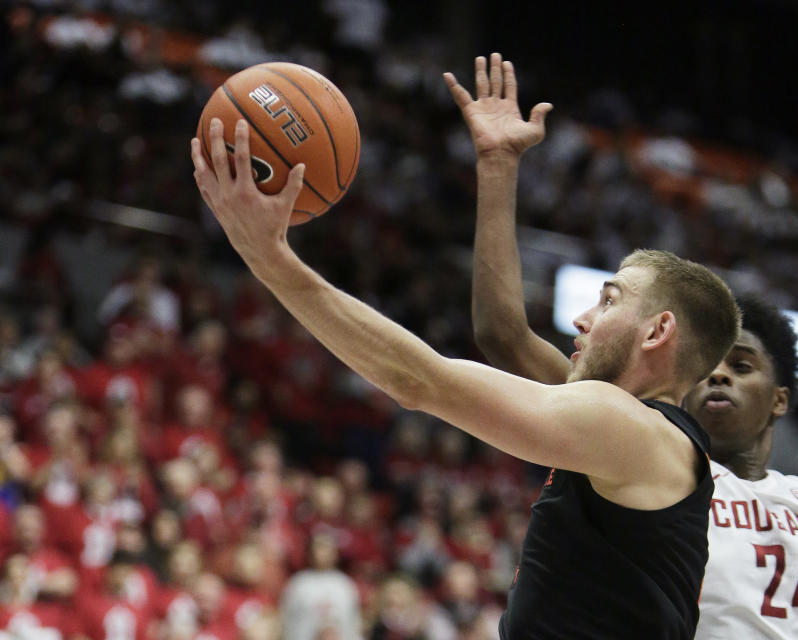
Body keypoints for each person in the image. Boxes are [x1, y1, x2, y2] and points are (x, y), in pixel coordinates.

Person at [190, 64, 742, 638]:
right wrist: (498, 164)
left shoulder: (630, 429)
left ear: (657, 332)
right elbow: (502, 334)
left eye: (608, 301)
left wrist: (271, 261)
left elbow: (419, 382)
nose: (582, 317)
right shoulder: (621, 423)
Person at [454, 53, 798, 640]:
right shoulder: (643, 445)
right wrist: (498, 170)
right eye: (711, 367)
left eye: (742, 367)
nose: (718, 378)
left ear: (779, 400)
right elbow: (503, 334)